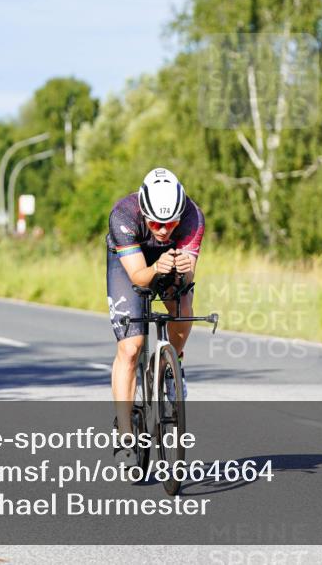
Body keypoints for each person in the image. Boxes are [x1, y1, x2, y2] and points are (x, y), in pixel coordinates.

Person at [106, 168, 204, 465]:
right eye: (157, 223)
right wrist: (155, 268)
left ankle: (173, 365)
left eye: (171, 223)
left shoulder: (192, 217)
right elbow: (138, 276)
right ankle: (125, 434)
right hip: (129, 263)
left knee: (182, 306)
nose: (163, 230)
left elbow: (188, 277)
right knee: (131, 347)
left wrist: (183, 269)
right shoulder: (124, 215)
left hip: (169, 260)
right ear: (144, 212)